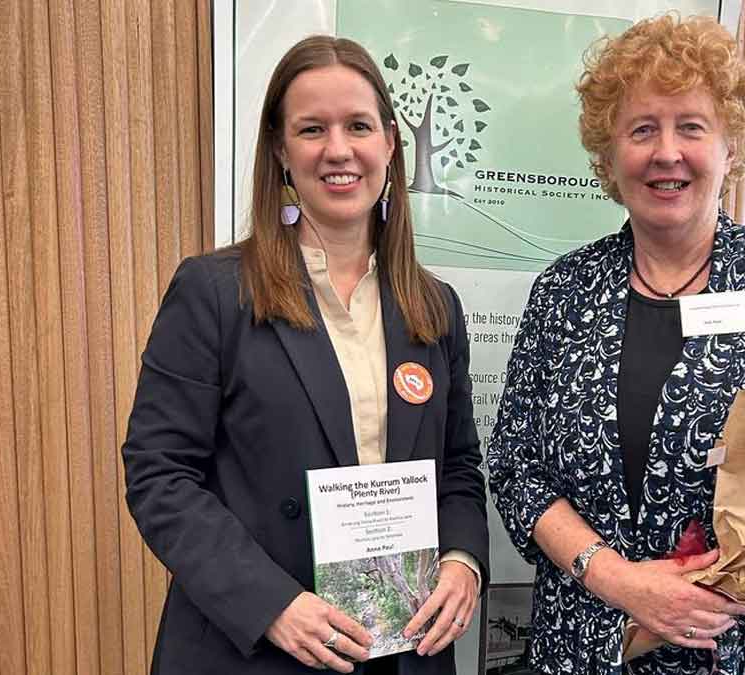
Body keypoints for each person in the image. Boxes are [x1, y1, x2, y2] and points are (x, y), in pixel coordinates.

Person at [488, 14, 745, 675]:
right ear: (609, 155)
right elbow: (516, 468)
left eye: (691, 126)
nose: (666, 151)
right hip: (589, 646)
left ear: (730, 148)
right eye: (642, 128)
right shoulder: (564, 290)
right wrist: (620, 580)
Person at [122, 35, 488, 675]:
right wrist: (272, 605)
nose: (339, 150)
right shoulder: (215, 292)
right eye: (312, 129)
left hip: (405, 646)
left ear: (391, 145)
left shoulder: (435, 306)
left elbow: (457, 468)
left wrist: (462, 560)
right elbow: (160, 473)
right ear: (281, 151)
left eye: (358, 126)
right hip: (258, 648)